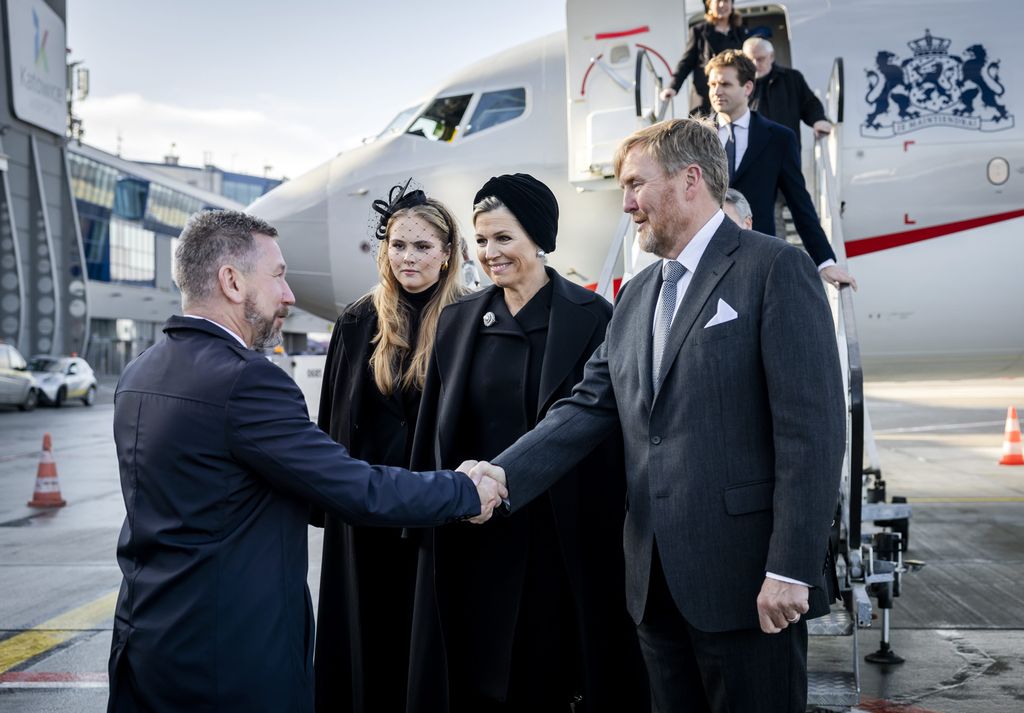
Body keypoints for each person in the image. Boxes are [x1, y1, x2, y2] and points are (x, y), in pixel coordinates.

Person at [471, 118, 846, 712]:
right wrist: (498, 474)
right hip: (654, 589)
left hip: (751, 586)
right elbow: (588, 405)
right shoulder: (637, 295)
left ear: (689, 180)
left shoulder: (773, 268)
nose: (627, 204)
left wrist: (792, 568)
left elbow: (813, 434)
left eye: (635, 185)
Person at [106, 210, 505, 712]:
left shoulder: (140, 372)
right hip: (229, 658)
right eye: (278, 275)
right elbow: (352, 486)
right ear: (231, 281)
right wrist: (465, 491)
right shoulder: (247, 380)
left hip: (145, 643)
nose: (289, 294)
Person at [407, 174, 648, 713]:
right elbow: (434, 433)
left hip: (565, 542)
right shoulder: (456, 320)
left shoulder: (594, 319)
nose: (490, 254)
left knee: (555, 676)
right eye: (483, 240)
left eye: (504, 239)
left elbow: (611, 431)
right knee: (478, 677)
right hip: (476, 537)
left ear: (538, 238)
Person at [312, 184, 468, 713]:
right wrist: (324, 502)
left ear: (448, 253)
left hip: (437, 515)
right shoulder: (358, 321)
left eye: (422, 246)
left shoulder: (468, 320)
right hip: (365, 518)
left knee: (430, 646)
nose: (408, 257)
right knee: (369, 646)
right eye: (398, 245)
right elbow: (331, 419)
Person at [706, 49, 856, 288]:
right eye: (712, 83)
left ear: (747, 88)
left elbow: (799, 202)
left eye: (725, 83)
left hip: (756, 258)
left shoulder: (778, 138)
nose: (716, 91)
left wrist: (825, 261)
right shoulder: (696, 137)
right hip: (706, 259)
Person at [660, 0, 748, 115]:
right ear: (709, 6)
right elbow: (686, 62)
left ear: (731, 5)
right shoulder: (699, 32)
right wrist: (673, 87)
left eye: (726, 1)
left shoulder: (741, 32)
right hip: (705, 97)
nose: (722, 5)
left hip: (731, 97)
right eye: (718, 1)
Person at [743, 37, 832, 149]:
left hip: (786, 150)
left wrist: (818, 120)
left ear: (771, 57)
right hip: (752, 152)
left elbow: (809, 104)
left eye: (760, 59)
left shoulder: (792, 78)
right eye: (750, 60)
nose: (755, 64)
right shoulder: (739, 83)